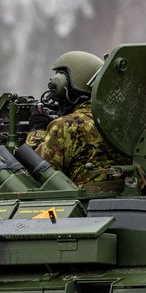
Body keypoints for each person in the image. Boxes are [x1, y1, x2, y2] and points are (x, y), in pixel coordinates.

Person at [27, 51, 126, 189]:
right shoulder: (124, 119)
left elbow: (36, 174)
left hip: (82, 200)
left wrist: (37, 130)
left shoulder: (66, 126)